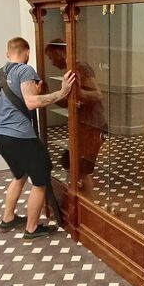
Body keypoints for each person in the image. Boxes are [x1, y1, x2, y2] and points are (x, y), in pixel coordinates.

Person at [0, 36, 75, 240]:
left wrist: (31, 93)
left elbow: (11, 103)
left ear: (7, 53)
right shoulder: (25, 70)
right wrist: (63, 92)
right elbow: (30, 102)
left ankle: (8, 218)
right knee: (40, 180)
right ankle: (32, 228)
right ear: (27, 52)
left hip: (1, 136)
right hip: (21, 138)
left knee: (19, 175)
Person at [44, 40, 107, 197]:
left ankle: (85, 205)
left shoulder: (81, 68)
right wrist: (49, 95)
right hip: (82, 127)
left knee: (81, 169)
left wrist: (78, 93)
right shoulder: (71, 70)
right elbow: (69, 102)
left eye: (51, 57)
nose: (52, 63)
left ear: (59, 53)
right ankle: (76, 202)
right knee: (71, 165)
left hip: (92, 126)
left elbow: (98, 95)